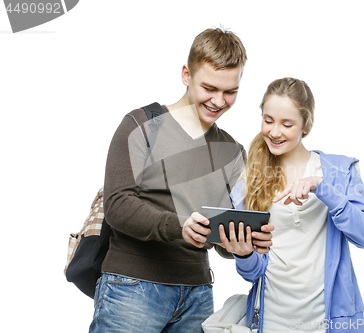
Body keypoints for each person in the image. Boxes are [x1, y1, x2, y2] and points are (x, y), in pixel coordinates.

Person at [90, 28, 273, 333]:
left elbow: (221, 235)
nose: (219, 101)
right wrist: (181, 226)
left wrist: (245, 244)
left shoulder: (233, 152)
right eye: (209, 88)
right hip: (132, 290)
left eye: (230, 92)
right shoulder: (141, 125)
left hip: (198, 296)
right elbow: (118, 205)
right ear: (186, 74)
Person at [220, 78, 364, 333]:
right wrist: (243, 254)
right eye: (268, 120)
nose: (274, 132)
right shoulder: (250, 181)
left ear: (306, 125)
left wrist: (322, 186)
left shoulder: (340, 171)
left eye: (287, 124)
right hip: (270, 322)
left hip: (328, 324)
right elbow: (252, 273)